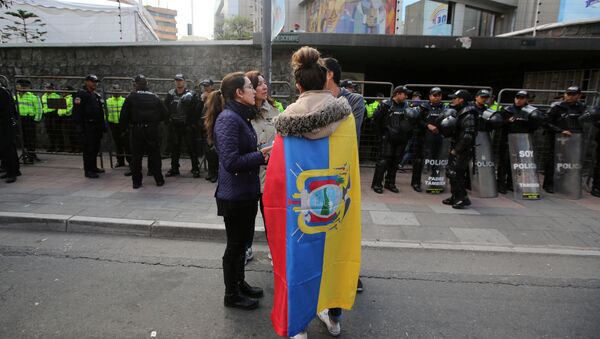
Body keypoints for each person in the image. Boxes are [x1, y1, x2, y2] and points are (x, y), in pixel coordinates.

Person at [264, 46, 360, 339]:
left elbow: (277, 179)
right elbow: (350, 165)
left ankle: (299, 327)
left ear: (298, 84)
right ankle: (333, 318)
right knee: (336, 256)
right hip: (335, 209)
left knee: (299, 260)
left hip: (301, 213)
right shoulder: (346, 117)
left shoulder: (286, 122)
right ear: (324, 80)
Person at [203, 72, 266, 310]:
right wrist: (261, 155)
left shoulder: (241, 116)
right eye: (250, 87)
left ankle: (240, 283)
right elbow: (230, 161)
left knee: (242, 245)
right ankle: (231, 294)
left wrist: (262, 151)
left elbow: (243, 151)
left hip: (246, 193)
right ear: (239, 93)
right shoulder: (229, 118)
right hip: (234, 196)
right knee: (235, 246)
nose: (254, 90)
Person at [323, 57, 365, 293]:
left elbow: (350, 136)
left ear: (329, 74)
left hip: (344, 170)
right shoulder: (312, 99)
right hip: (317, 171)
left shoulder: (354, 100)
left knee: (344, 222)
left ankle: (349, 272)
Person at [244, 70, 279, 265]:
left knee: (271, 217)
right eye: (258, 84)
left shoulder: (274, 109)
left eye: (265, 83)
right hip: (249, 174)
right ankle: (246, 249)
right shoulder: (242, 114)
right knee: (247, 217)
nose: (264, 87)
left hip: (271, 174)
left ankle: (274, 250)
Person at [120, 75, 168, 189]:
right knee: (155, 155)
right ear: (146, 84)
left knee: (137, 157)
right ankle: (159, 179)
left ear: (136, 84)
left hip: (137, 130)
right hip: (152, 130)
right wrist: (155, 121)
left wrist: (124, 129)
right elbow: (165, 113)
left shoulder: (131, 97)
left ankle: (136, 182)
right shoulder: (155, 97)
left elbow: (123, 116)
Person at [543, 86, 587, 193]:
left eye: (572, 94)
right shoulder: (556, 106)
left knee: (569, 162)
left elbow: (585, 122)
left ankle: (565, 184)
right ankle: (549, 184)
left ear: (579, 95)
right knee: (553, 161)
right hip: (558, 137)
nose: (569, 96)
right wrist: (560, 130)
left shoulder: (581, 107)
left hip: (573, 139)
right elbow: (546, 122)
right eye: (567, 94)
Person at [495, 91, 541, 194]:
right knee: (504, 162)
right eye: (517, 98)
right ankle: (501, 184)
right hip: (508, 139)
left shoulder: (531, 111)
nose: (518, 100)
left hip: (522, 140)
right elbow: (498, 123)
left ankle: (511, 183)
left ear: (526, 99)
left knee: (517, 164)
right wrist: (507, 121)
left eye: (521, 98)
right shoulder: (507, 110)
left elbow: (536, 125)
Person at [371, 85, 414, 194]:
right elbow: (375, 121)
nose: (406, 96)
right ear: (397, 94)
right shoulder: (385, 105)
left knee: (395, 162)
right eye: (405, 94)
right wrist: (380, 137)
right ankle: (377, 184)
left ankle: (390, 183)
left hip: (401, 139)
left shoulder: (406, 106)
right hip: (388, 139)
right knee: (383, 162)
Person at [442, 90, 477, 209]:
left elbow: (468, 136)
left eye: (455, 98)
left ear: (461, 100)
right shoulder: (461, 112)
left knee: (456, 173)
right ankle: (455, 196)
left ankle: (463, 198)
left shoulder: (469, 114)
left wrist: (456, 150)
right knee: (451, 172)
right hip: (456, 146)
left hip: (462, 149)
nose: (453, 100)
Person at [164, 74, 202, 178]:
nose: (178, 82)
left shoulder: (191, 94)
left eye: (180, 80)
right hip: (174, 125)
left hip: (187, 125)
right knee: (174, 148)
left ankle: (195, 169)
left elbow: (196, 110)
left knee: (191, 147)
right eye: (177, 80)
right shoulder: (171, 94)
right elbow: (165, 107)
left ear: (184, 81)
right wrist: (168, 120)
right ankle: (174, 168)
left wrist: (192, 123)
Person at [411, 87, 446, 192]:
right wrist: (428, 125)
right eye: (434, 95)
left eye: (439, 95)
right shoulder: (423, 107)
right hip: (423, 138)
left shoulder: (444, 108)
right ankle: (416, 182)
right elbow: (417, 121)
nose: (437, 97)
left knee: (436, 160)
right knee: (419, 160)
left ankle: (434, 182)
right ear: (430, 96)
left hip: (438, 138)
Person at [323, 57, 366, 146]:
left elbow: (350, 132)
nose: (314, 77)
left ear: (329, 75)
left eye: (319, 73)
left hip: (343, 155)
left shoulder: (355, 99)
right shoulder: (316, 98)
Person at [73, 75, 105, 179]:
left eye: (96, 82)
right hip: (87, 126)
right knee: (88, 149)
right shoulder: (81, 94)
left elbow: (100, 111)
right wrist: (79, 127)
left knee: (95, 148)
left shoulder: (95, 95)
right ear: (87, 82)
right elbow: (77, 112)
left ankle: (93, 167)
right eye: (93, 82)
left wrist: (102, 126)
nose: (95, 84)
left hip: (96, 126)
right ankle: (88, 170)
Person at [15, 79, 42, 164]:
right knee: (23, 138)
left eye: (21, 86)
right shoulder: (15, 96)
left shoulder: (33, 96)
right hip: (20, 118)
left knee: (30, 137)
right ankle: (26, 153)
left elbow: (39, 108)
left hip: (29, 119)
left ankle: (32, 154)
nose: (19, 88)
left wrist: (36, 119)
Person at [0, 82, 20, 183]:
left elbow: (5, 110)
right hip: (5, 125)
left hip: (5, 125)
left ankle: (12, 173)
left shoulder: (2, 93)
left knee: (8, 149)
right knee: (7, 149)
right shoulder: (4, 91)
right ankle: (11, 171)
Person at [106, 84, 129, 169]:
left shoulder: (124, 100)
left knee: (127, 144)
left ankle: (130, 161)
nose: (116, 92)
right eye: (114, 91)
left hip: (123, 125)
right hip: (113, 124)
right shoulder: (108, 101)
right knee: (117, 144)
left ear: (120, 92)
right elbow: (105, 112)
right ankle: (120, 161)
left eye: (118, 91)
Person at [200, 78, 219, 183]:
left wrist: (209, 100)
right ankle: (211, 172)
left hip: (213, 126)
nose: (206, 88)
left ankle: (216, 172)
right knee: (207, 152)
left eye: (207, 86)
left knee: (213, 152)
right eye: (204, 86)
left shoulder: (216, 96)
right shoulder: (202, 96)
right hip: (205, 126)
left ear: (212, 86)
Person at [41, 83, 63, 152]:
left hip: (54, 114)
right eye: (47, 88)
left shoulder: (57, 96)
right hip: (47, 114)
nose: (48, 89)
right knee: (49, 131)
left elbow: (60, 106)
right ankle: (52, 146)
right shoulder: (43, 96)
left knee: (57, 130)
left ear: (53, 89)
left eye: (50, 88)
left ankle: (60, 147)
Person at [57, 86, 79, 153]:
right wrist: (60, 113)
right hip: (63, 117)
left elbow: (72, 107)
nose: (63, 92)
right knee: (68, 133)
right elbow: (59, 108)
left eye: (65, 90)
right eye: (62, 90)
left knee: (73, 133)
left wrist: (66, 112)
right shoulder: (62, 98)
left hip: (70, 117)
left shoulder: (72, 97)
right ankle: (73, 148)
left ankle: (77, 148)